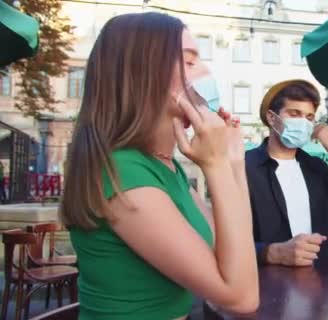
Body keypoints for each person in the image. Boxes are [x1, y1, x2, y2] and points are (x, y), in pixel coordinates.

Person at [60, 13, 258, 319]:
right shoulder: (123, 171)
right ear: (142, 74)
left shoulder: (166, 167)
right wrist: (216, 165)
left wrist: (233, 163)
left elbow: (233, 252)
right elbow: (241, 297)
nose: (206, 71)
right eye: (189, 62)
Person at [246, 79, 328, 267]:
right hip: (270, 286)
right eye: (294, 114)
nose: (303, 122)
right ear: (272, 118)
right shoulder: (244, 168)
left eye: (309, 117)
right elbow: (223, 241)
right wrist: (272, 253)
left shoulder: (317, 168)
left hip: (327, 282)